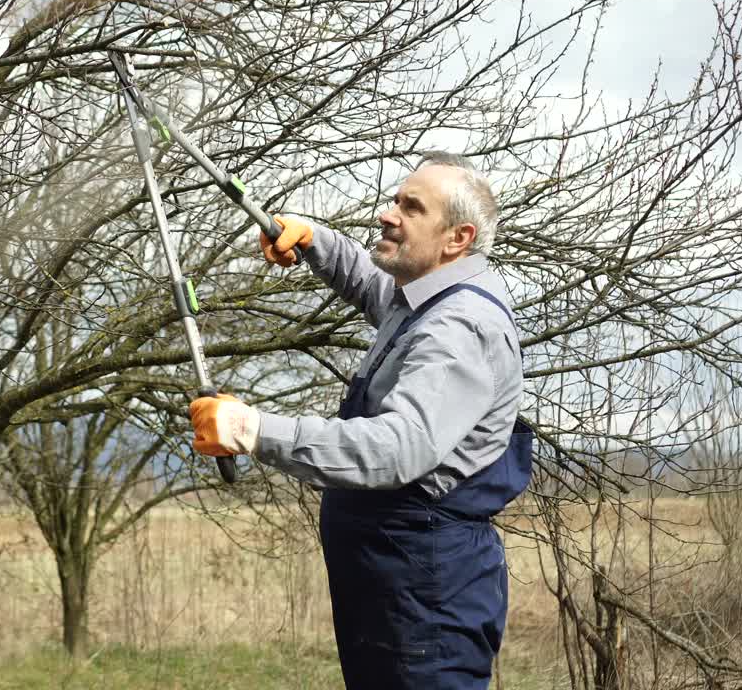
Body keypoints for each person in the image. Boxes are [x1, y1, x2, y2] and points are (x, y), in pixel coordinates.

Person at [188, 152, 533, 690]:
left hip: (426, 595)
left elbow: (396, 449)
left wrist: (251, 429)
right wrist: (312, 241)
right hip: (397, 583)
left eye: (411, 208)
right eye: (396, 200)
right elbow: (376, 288)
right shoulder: (426, 296)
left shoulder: (459, 327)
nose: (387, 214)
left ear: (457, 238)